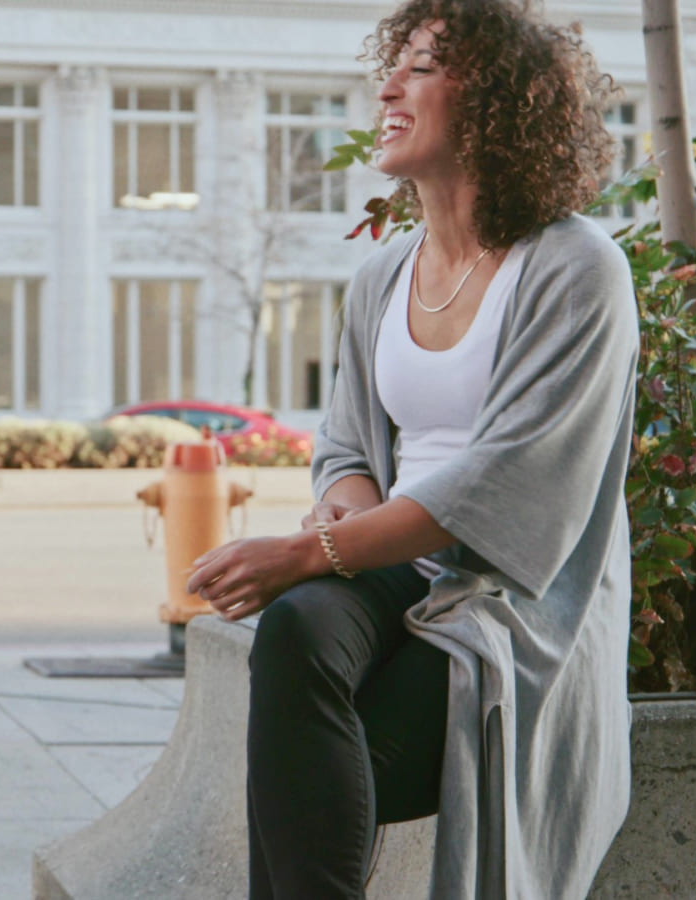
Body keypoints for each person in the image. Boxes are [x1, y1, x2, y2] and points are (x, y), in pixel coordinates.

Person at [186, 2, 637, 897]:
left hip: (514, 593)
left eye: (422, 68)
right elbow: (348, 444)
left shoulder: (577, 268)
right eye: (395, 66)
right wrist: (338, 518)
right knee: (300, 628)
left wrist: (306, 550)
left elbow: (511, 482)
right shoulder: (382, 275)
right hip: (394, 564)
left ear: (500, 103)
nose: (388, 87)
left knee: (314, 754)